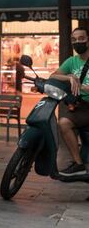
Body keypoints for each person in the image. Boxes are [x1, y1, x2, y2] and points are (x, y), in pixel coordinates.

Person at [50, 27, 89, 176]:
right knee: (63, 123)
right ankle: (79, 165)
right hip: (82, 107)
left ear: (88, 40)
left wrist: (82, 86)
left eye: (81, 39)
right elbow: (53, 76)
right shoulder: (72, 61)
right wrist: (69, 77)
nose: (77, 42)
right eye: (74, 40)